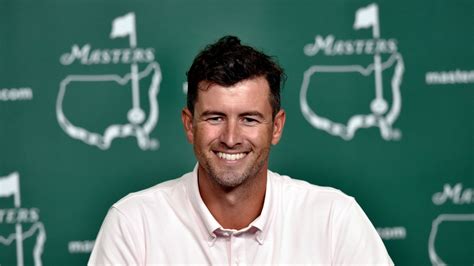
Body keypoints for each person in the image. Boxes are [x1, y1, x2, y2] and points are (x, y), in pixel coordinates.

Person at [88, 36, 393, 265]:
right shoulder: (133, 224)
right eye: (215, 117)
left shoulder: (334, 219)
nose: (231, 137)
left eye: (249, 119)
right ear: (189, 125)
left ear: (276, 127)